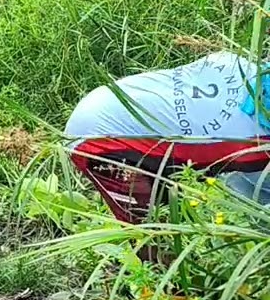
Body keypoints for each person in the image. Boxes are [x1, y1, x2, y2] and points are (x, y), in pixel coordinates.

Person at [65, 51, 270, 222]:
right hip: (99, 137)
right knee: (151, 223)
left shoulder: (241, 64)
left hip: (116, 101)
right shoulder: (254, 144)